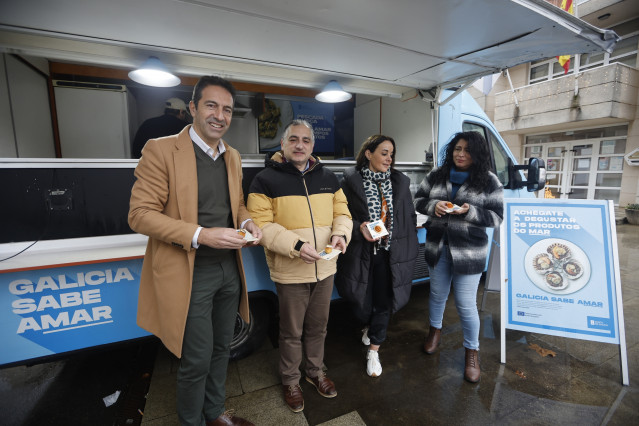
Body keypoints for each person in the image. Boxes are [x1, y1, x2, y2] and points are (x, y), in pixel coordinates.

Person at [128, 76, 261, 426]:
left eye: (227, 109)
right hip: (190, 272)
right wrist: (202, 234)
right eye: (211, 105)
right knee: (196, 358)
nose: (220, 115)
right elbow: (140, 215)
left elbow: (238, 205)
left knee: (222, 349)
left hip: (229, 270)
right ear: (193, 108)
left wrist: (247, 224)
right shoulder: (161, 149)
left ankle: (215, 413)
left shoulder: (232, 156)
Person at [246, 119, 352, 413]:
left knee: (318, 328)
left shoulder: (329, 177)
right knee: (291, 331)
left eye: (306, 140)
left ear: (312, 146)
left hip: (325, 268)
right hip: (291, 270)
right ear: (282, 144)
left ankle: (315, 372)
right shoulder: (264, 180)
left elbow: (342, 212)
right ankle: (290, 380)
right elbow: (262, 226)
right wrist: (296, 247)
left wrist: (340, 234)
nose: (300, 145)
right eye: (293, 139)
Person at [413, 131, 503, 383]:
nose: (461, 154)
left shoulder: (489, 181)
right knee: (437, 294)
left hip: (469, 252)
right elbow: (418, 200)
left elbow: (497, 217)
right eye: (457, 149)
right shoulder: (437, 174)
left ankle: (471, 352)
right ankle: (434, 332)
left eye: (467, 150)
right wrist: (434, 206)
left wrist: (470, 212)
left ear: (477, 154)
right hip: (438, 246)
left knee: (465, 304)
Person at [335, 135, 418, 378]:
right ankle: (368, 325)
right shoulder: (350, 182)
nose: (389, 158)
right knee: (360, 303)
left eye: (391, 154)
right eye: (384, 153)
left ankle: (374, 350)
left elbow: (409, 216)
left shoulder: (399, 183)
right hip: (361, 253)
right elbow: (338, 217)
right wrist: (359, 228)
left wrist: (405, 243)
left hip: (389, 254)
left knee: (383, 303)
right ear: (368, 154)